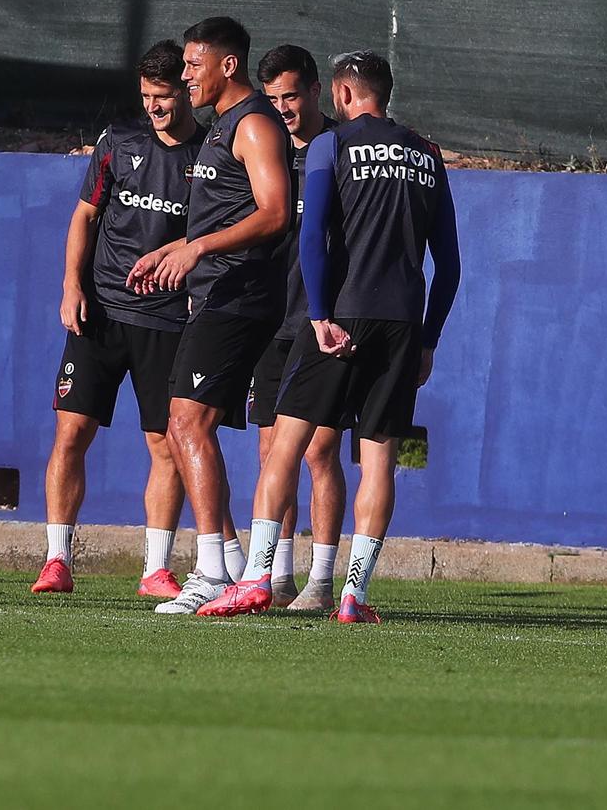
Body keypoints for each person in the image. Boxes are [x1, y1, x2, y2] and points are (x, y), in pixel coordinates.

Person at [197, 51, 459, 622]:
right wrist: (428, 340)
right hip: (402, 323)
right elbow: (451, 265)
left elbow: (310, 234)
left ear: (340, 94)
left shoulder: (329, 146)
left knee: (284, 445)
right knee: (378, 459)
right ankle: (353, 596)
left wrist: (319, 314)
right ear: (385, 92)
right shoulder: (428, 155)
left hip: (341, 316)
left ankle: (258, 578)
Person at [128, 16, 291, 615]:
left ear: (228, 66)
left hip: (241, 297)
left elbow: (276, 213)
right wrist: (175, 250)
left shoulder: (251, 124)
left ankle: (213, 572)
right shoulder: (224, 127)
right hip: (219, 294)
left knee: (188, 423)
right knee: (185, 425)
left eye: (194, 65)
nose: (185, 75)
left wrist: (199, 249)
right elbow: (226, 215)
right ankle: (222, 563)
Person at [31, 41, 204, 598]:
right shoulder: (117, 142)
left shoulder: (214, 155)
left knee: (165, 444)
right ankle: (57, 560)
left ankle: (155, 568)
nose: (154, 107)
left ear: (187, 91)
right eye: (146, 96)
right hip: (100, 313)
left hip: (167, 322)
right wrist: (70, 286)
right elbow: (84, 217)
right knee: (71, 433)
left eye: (164, 96)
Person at [250, 44, 347, 611]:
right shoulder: (262, 144)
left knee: (319, 452)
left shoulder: (340, 146)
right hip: (271, 319)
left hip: (325, 321)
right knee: (271, 451)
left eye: (291, 96)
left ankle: (322, 580)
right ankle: (277, 575)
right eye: (274, 98)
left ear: (315, 91)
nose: (283, 108)